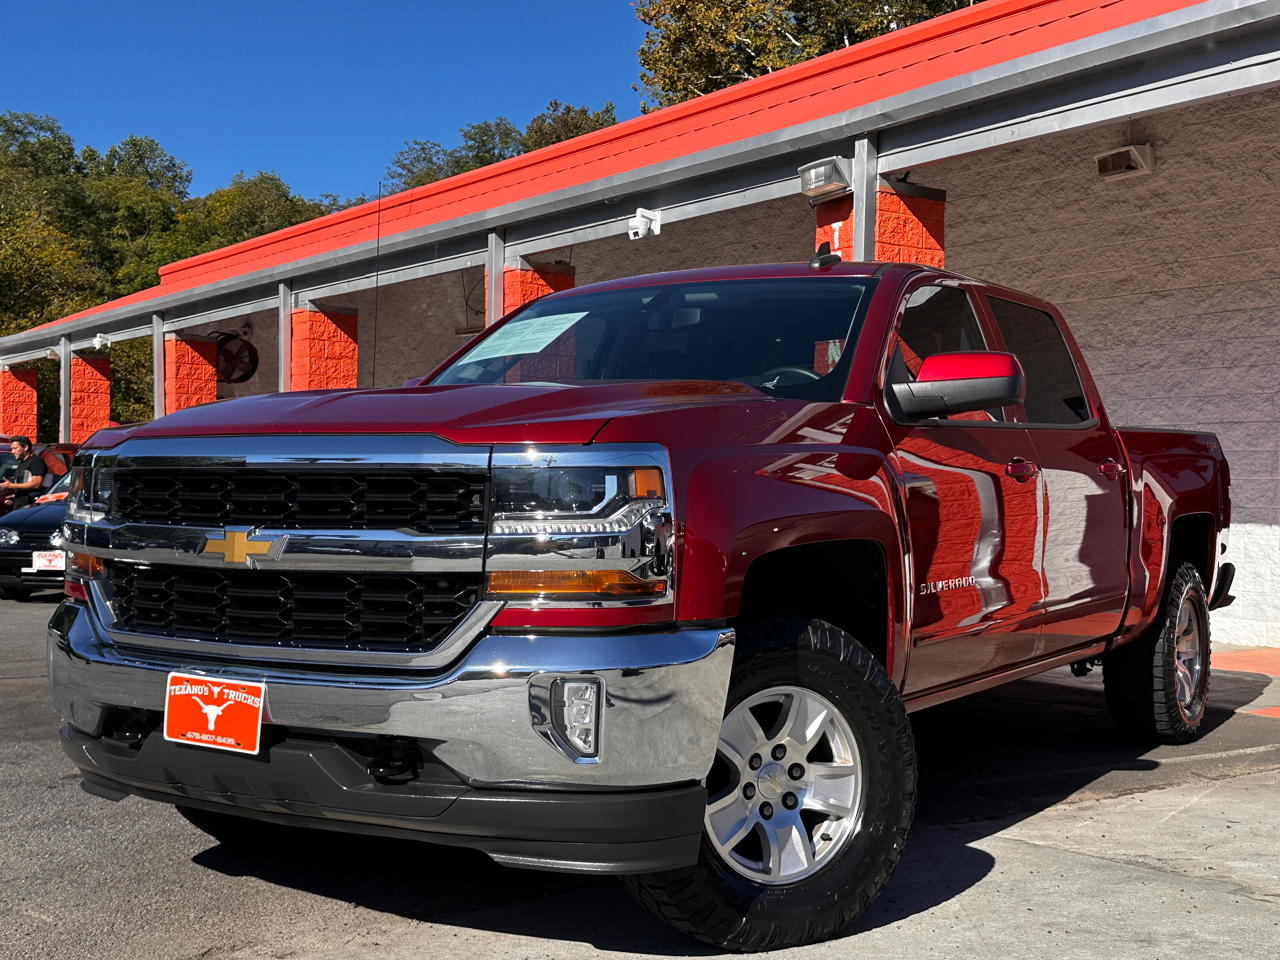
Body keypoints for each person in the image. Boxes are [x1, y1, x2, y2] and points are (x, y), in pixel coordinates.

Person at [1, 436, 48, 508]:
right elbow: (23, 483)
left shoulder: (36, 461)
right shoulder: (23, 462)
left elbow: (36, 483)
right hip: (19, 504)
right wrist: (15, 496)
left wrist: (11, 485)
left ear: (25, 447)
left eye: (15, 448)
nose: (12, 452)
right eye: (12, 449)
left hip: (30, 506)